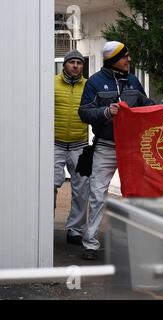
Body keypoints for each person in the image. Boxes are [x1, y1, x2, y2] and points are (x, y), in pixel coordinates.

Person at [78, 41, 155, 260]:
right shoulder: (94, 82)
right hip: (105, 146)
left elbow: (146, 105)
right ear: (113, 59)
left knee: (134, 194)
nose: (129, 60)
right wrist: (105, 111)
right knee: (97, 195)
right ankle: (90, 243)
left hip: (131, 147)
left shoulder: (133, 80)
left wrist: (159, 109)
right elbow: (84, 112)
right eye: (125, 56)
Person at [54, 49, 89, 246]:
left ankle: (75, 230)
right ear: (65, 65)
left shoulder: (89, 86)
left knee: (82, 189)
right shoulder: (51, 83)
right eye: (71, 62)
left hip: (80, 145)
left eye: (79, 62)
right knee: (49, 185)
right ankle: (44, 224)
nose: (75, 65)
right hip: (54, 143)